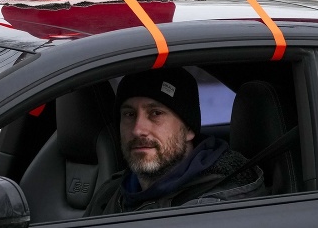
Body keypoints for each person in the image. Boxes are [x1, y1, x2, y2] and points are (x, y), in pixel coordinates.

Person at [84, 68, 264, 215]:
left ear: (189, 129)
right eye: (129, 114)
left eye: (156, 113)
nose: (138, 129)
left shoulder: (221, 207)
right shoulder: (111, 193)